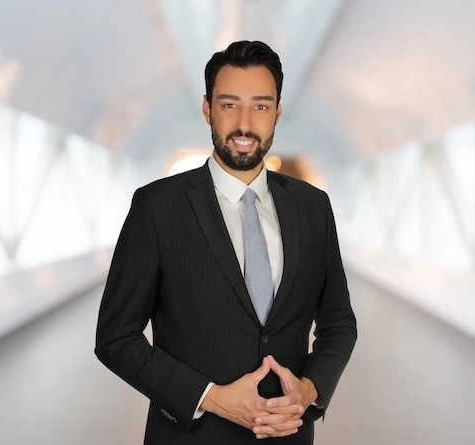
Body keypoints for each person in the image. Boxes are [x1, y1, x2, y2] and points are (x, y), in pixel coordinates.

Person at [95, 40, 357, 444]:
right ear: (207, 109)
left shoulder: (313, 207)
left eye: (261, 106)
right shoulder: (157, 207)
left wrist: (308, 391)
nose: (244, 123)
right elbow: (116, 337)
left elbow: (338, 322)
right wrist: (211, 398)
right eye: (230, 104)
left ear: (277, 113)